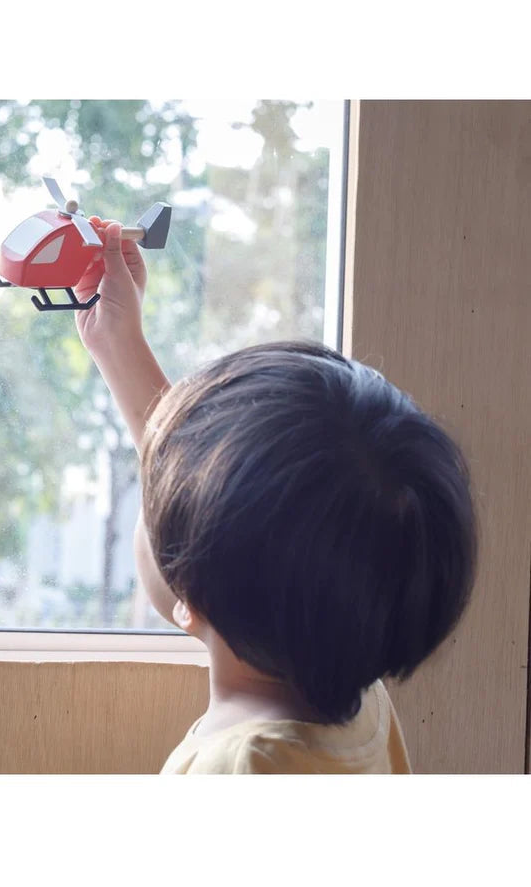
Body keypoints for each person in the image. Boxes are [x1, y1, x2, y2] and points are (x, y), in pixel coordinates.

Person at [71, 218, 477, 774]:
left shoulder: (242, 771)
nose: (156, 483)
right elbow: (225, 513)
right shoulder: (353, 695)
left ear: (191, 592)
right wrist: (118, 342)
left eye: (156, 504)